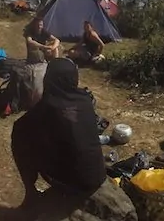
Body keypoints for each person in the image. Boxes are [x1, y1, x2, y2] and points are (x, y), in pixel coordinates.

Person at [11, 58, 107, 211]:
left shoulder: (47, 107)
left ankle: (31, 193)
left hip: (73, 185)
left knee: (20, 136)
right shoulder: (84, 99)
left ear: (49, 79)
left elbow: (21, 126)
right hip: (98, 176)